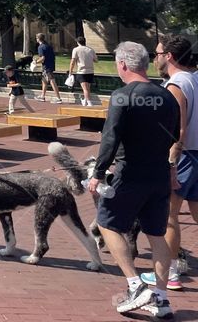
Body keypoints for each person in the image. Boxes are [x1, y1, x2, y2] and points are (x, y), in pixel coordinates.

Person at [90, 41, 179, 318]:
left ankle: (134, 283)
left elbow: (110, 138)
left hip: (129, 172)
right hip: (159, 173)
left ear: (123, 65)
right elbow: (174, 135)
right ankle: (161, 300)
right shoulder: (167, 96)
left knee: (107, 223)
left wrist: (97, 173)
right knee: (156, 235)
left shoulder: (122, 96)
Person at [140, 34, 198, 292]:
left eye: (158, 53)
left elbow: (177, 131)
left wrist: (171, 163)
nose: (155, 58)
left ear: (169, 57)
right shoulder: (196, 79)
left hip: (183, 156)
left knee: (169, 217)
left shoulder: (175, 85)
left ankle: (170, 273)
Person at [69, 36, 97, 106]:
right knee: (87, 88)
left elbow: (73, 61)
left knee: (85, 88)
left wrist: (70, 71)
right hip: (90, 71)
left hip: (82, 71)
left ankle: (89, 102)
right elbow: (96, 60)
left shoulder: (76, 49)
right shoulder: (90, 50)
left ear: (78, 42)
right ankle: (85, 100)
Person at [35, 33, 63, 103]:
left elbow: (42, 58)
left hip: (46, 66)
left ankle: (58, 98)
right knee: (44, 81)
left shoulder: (40, 47)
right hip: (51, 64)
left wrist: (36, 62)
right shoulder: (48, 46)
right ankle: (42, 96)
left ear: (38, 39)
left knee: (52, 81)